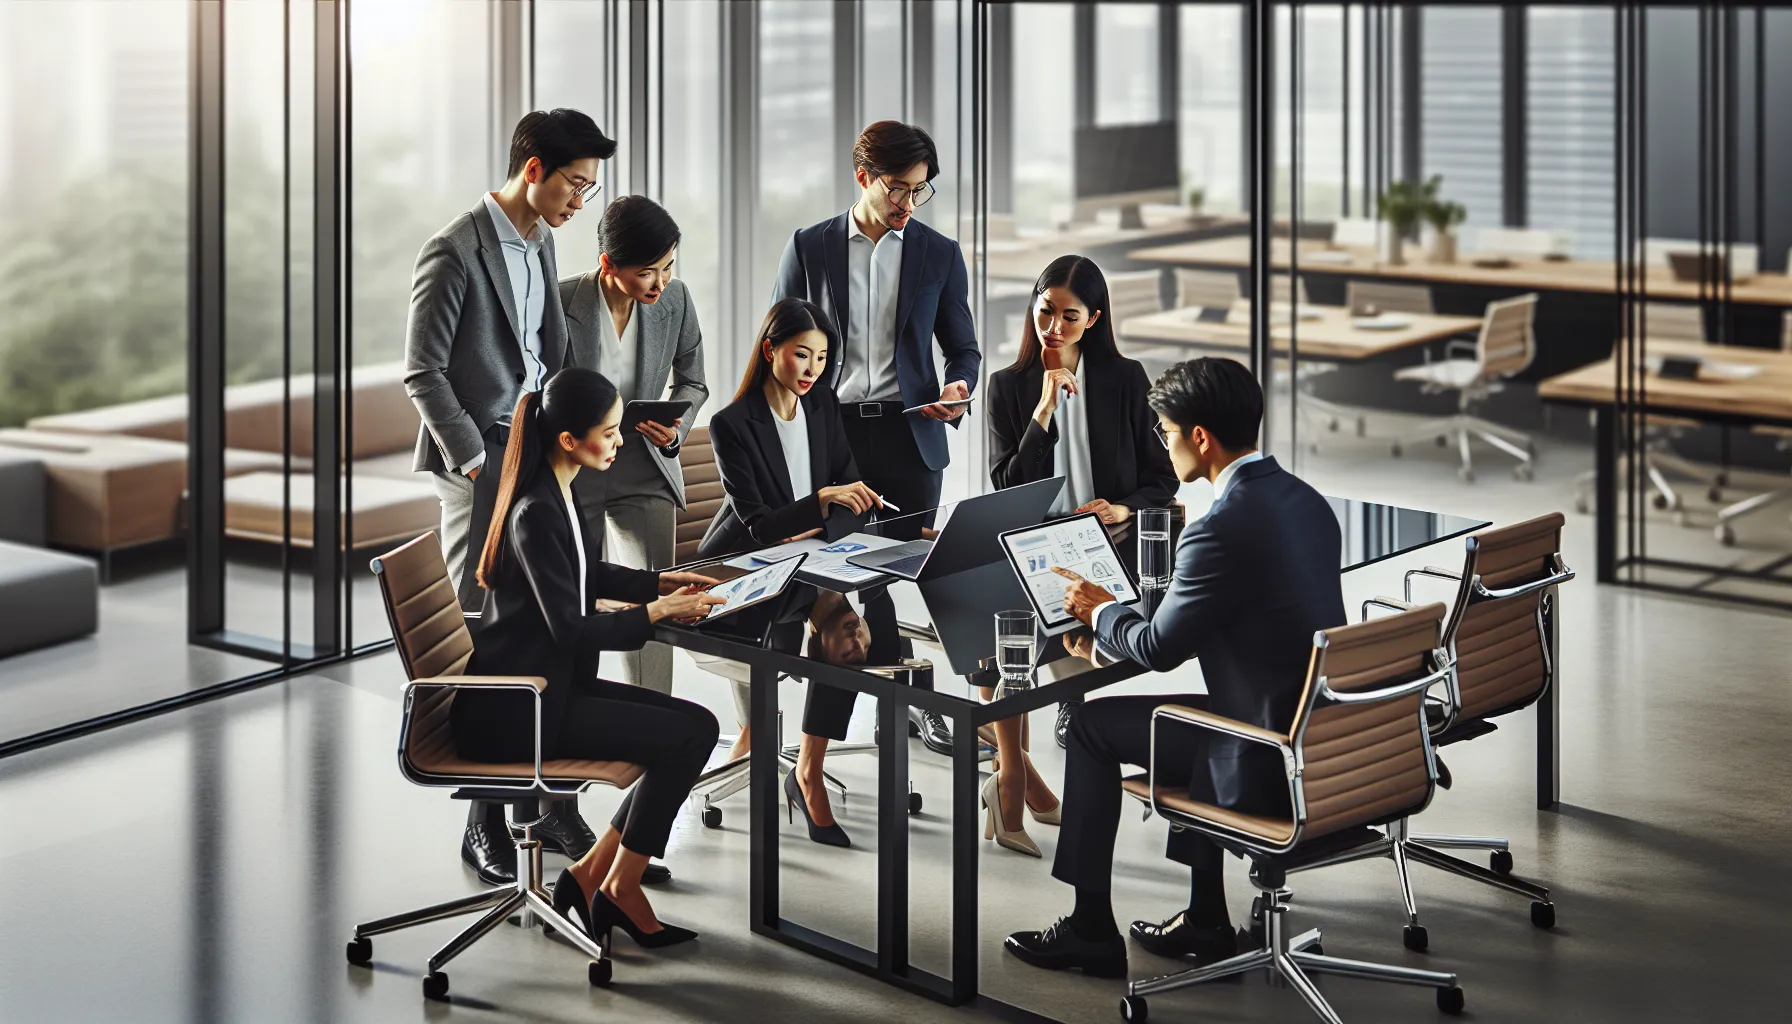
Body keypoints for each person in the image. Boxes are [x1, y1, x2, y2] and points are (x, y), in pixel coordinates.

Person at [1003, 357, 1345, 978]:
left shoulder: (1216, 530)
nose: (1164, 445)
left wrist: (1099, 611)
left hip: (1265, 752)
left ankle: (1089, 930)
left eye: (1166, 433)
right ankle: (1206, 918)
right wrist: (1115, 632)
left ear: (1200, 438)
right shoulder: (1307, 500)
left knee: (1091, 728)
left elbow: (1161, 649)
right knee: (1191, 715)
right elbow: (1236, 614)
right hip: (1324, 733)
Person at [404, 108, 616, 886]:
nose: (580, 202)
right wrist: (472, 462)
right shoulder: (454, 249)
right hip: (480, 463)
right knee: (485, 639)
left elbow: (546, 355)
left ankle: (550, 802)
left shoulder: (541, 240)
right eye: (574, 185)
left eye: (589, 189)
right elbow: (422, 370)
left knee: (561, 629)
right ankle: (483, 822)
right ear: (534, 170)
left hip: (538, 453)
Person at [455, 367, 727, 950]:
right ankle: (619, 887)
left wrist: (657, 582)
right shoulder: (535, 510)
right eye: (609, 432)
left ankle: (591, 875)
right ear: (568, 440)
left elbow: (586, 571)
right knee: (686, 737)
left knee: (699, 727)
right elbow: (572, 629)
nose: (621, 441)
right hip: (521, 709)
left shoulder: (559, 490)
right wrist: (657, 612)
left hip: (548, 690)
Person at [771, 119, 981, 756]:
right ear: (863, 176)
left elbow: (964, 348)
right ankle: (821, 753)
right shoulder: (809, 247)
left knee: (901, 576)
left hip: (911, 438)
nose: (909, 203)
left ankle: (902, 708)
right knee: (843, 588)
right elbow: (777, 344)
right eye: (898, 188)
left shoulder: (939, 253)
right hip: (832, 439)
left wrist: (959, 387)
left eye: (920, 190)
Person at [979, 255, 1179, 856]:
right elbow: (1006, 488)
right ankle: (1016, 775)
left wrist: (1122, 508)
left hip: (1105, 546)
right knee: (991, 643)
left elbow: (1163, 479)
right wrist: (1043, 409)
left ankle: (1017, 776)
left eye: (1069, 316)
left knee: (1015, 650)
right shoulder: (1008, 385)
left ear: (1093, 319)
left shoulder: (1125, 379)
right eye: (1045, 312)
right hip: (1035, 545)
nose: (1053, 327)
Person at [699, 297, 886, 847]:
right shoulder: (732, 423)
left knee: (876, 617)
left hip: (809, 557)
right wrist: (821, 502)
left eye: (822, 359)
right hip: (741, 573)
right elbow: (759, 525)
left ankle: (807, 764)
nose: (812, 370)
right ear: (770, 350)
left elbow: (849, 485)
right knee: (845, 632)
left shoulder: (822, 405)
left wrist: (835, 513)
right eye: (802, 355)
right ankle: (806, 774)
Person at [562, 195, 708, 696]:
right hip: (576, 468)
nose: (660, 283)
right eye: (647, 272)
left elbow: (694, 382)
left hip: (644, 462)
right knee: (579, 591)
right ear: (608, 264)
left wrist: (677, 430)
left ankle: (652, 710)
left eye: (668, 267)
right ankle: (574, 706)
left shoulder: (676, 299)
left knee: (654, 592)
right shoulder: (560, 302)